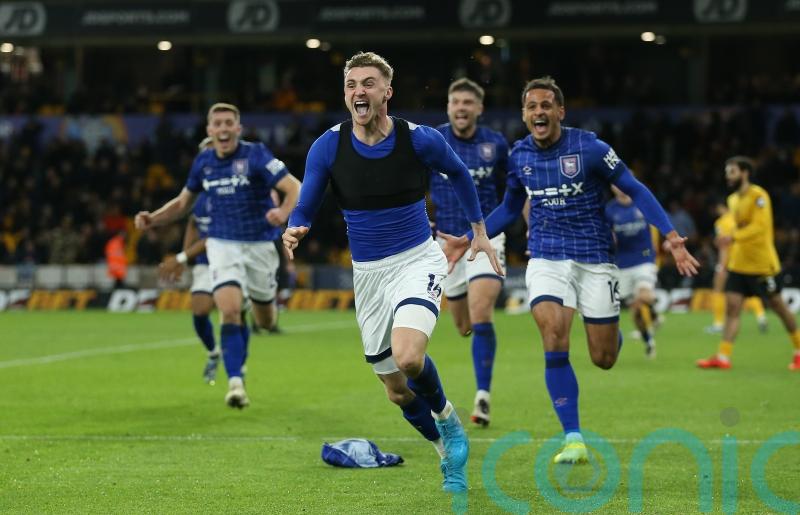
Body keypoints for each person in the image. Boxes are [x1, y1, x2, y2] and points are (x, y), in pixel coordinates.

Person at [440, 76, 699, 464]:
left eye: (546, 105)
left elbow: (636, 188)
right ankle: (573, 437)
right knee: (553, 334)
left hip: (595, 258)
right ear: (524, 115)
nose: (539, 112)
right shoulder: (519, 156)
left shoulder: (590, 148)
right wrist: (470, 235)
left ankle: (609, 332)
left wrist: (671, 236)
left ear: (560, 111)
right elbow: (511, 208)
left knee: (604, 357)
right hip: (546, 256)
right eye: (532, 107)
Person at [282, 52, 501, 493]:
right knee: (397, 390)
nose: (358, 91)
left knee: (409, 356)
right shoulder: (328, 144)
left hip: (417, 260)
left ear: (387, 92)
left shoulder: (418, 140)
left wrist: (478, 229)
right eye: (351, 85)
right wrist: (296, 224)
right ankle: (446, 451)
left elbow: (459, 173)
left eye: (368, 83)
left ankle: (449, 421)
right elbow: (307, 198)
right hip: (369, 275)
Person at [135, 103, 301, 408]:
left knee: (264, 321)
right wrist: (154, 218)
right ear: (210, 131)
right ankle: (236, 383)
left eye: (229, 123)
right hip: (223, 245)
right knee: (229, 311)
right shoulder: (204, 162)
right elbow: (184, 203)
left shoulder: (256, 154)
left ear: (237, 129)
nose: (223, 129)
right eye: (217, 124)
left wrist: (283, 211)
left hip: (261, 246)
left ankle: (262, 305)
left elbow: (295, 188)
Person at [430, 77, 509, 427]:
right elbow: (414, 186)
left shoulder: (496, 144)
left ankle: (483, 397)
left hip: (486, 238)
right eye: (455, 102)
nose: (461, 108)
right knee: (463, 326)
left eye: (468, 102)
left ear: (478, 108)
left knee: (481, 312)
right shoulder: (433, 141)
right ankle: (481, 359)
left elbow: (513, 192)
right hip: (446, 244)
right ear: (448, 107)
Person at [697, 157, 800, 371]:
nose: (728, 176)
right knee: (732, 307)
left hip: (762, 264)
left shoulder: (759, 196)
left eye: (732, 171)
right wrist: (728, 238)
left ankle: (798, 350)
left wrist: (732, 236)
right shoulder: (733, 200)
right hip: (739, 263)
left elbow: (759, 228)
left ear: (745, 173)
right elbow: (739, 229)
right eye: (727, 171)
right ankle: (723, 357)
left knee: (778, 307)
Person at [158, 190, 226, 385]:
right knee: (199, 310)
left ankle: (238, 369)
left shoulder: (229, 195)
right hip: (206, 262)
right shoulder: (201, 198)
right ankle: (214, 353)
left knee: (234, 312)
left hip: (234, 258)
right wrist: (185, 256)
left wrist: (181, 258)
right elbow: (193, 224)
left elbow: (212, 237)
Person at [605, 185, 658, 358]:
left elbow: (658, 221)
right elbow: (606, 235)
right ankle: (648, 340)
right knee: (635, 311)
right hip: (622, 265)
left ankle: (655, 315)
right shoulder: (610, 210)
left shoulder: (642, 202)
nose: (621, 187)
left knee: (643, 297)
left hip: (644, 259)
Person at [704, 199, 767, 335]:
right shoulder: (739, 219)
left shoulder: (721, 222)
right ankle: (761, 316)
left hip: (729, 261)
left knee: (718, 289)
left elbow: (723, 246)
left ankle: (718, 323)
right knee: (750, 291)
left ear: (721, 207)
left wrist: (721, 266)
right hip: (745, 260)